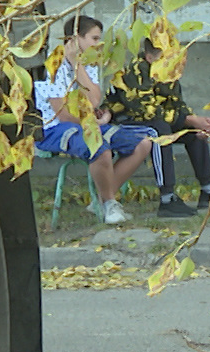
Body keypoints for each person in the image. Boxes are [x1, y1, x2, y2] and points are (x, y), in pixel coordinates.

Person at [34, 15, 164, 225]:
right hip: (55, 129)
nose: (99, 44)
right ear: (75, 39)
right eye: (94, 38)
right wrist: (94, 123)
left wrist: (79, 66)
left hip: (86, 125)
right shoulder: (52, 65)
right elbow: (63, 114)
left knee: (143, 142)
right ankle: (109, 203)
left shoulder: (89, 63)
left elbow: (94, 100)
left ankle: (103, 198)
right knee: (100, 148)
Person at [107, 40, 210, 217]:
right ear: (149, 57)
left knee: (191, 133)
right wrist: (189, 120)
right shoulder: (136, 71)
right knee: (160, 130)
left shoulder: (168, 73)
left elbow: (177, 104)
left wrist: (195, 122)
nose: (174, 62)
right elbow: (147, 110)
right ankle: (167, 199)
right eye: (167, 58)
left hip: (154, 120)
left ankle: (209, 190)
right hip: (126, 121)